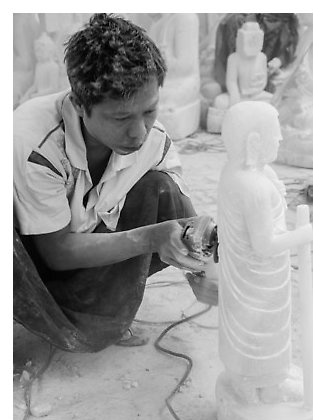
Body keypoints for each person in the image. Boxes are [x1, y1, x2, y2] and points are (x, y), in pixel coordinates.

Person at [13, 13, 216, 353]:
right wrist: (151, 237)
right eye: (121, 117)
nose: (139, 132)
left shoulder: (154, 141)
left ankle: (92, 314)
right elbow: (57, 253)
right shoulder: (32, 144)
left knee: (163, 188)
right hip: (34, 268)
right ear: (79, 104)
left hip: (84, 253)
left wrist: (200, 265)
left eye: (149, 111)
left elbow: (183, 217)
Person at [217, 101, 312, 403]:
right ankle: (259, 388)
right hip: (257, 279)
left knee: (259, 329)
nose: (282, 138)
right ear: (254, 142)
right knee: (261, 332)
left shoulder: (235, 172)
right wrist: (307, 234)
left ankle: (262, 381)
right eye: (276, 132)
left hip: (253, 277)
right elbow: (264, 245)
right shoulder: (252, 188)